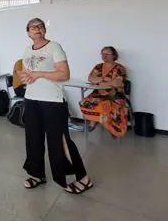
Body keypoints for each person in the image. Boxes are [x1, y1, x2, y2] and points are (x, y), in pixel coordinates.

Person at [18, 18, 92, 194]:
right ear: (28, 32)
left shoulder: (54, 47)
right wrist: (26, 77)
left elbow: (64, 74)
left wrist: (38, 74)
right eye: (33, 27)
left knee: (60, 141)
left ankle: (83, 178)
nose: (37, 29)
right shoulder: (27, 50)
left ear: (44, 30)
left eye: (40, 26)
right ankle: (37, 174)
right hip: (31, 99)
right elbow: (29, 74)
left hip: (53, 101)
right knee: (33, 139)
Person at [79, 46, 128, 137]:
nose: (104, 56)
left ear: (114, 55)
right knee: (84, 102)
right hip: (98, 93)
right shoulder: (98, 66)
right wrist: (106, 80)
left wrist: (100, 81)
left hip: (115, 94)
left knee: (102, 105)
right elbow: (91, 79)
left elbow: (117, 83)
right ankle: (94, 120)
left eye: (107, 54)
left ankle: (100, 124)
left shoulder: (120, 68)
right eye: (103, 54)